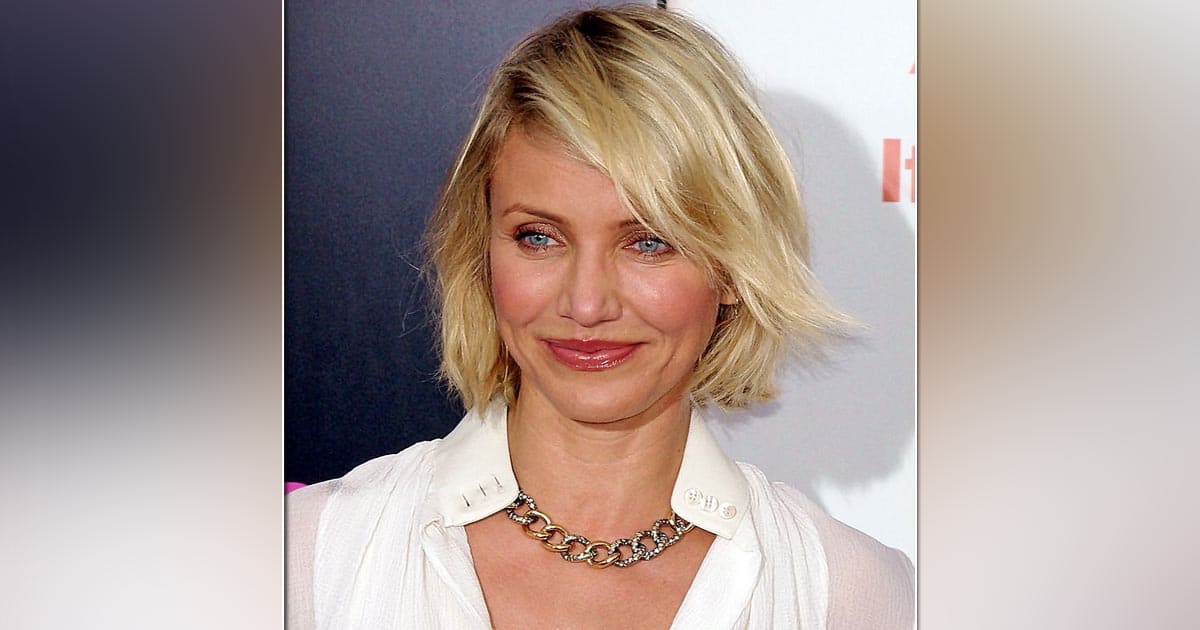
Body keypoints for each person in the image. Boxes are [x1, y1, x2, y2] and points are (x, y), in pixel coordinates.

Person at [287, 5, 913, 629]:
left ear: (731, 267)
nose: (586, 305)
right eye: (539, 238)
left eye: (649, 242)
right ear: (482, 252)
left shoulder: (849, 595)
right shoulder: (310, 557)